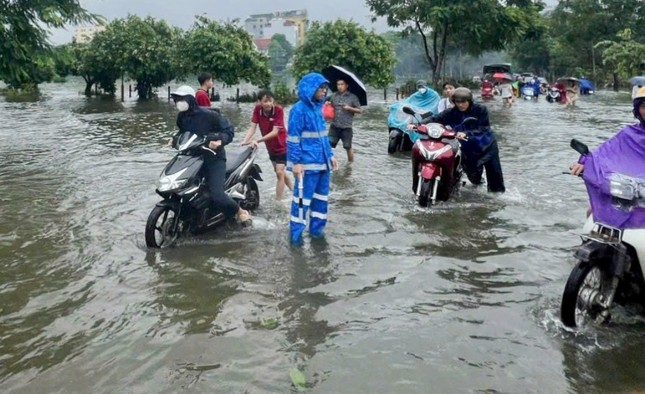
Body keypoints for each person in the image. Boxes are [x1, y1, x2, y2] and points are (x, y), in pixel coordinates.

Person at [169, 85, 251, 224]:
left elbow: (229, 131)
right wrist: (175, 139)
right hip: (192, 158)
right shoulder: (182, 117)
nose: (179, 102)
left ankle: (240, 211)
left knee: (217, 195)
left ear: (190, 99)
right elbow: (183, 133)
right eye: (177, 99)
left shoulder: (210, 115)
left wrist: (219, 141)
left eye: (182, 99)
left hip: (213, 158)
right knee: (180, 188)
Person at [570, 87, 645, 228]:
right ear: (637, 109)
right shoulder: (628, 134)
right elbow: (604, 154)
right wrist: (586, 164)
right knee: (591, 212)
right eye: (644, 106)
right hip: (635, 195)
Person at [287, 73, 339, 244]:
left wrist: (330, 156)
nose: (324, 91)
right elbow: (293, 138)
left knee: (321, 201)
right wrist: (296, 162)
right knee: (301, 203)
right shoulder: (298, 110)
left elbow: (322, 136)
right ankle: (296, 239)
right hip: (306, 166)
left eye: (325, 88)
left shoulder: (318, 109)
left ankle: (317, 232)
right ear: (310, 89)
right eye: (321, 88)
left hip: (323, 164)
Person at [421, 87, 505, 193]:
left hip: (486, 144)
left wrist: (466, 133)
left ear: (469, 101)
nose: (460, 105)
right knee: (473, 175)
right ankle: (477, 186)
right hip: (467, 147)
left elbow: (484, 128)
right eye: (458, 102)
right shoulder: (451, 112)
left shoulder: (480, 109)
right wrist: (418, 124)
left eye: (463, 102)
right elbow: (435, 118)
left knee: (494, 174)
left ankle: (497, 196)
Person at [240, 89, 293, 199]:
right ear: (259, 102)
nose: (268, 104)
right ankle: (295, 191)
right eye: (265, 101)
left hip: (282, 145)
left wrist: (257, 141)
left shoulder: (278, 110)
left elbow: (275, 132)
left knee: (279, 172)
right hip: (270, 147)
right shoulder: (257, 110)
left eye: (270, 101)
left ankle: (279, 201)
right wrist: (245, 141)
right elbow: (253, 127)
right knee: (279, 172)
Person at [329, 78, 363, 162]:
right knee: (328, 145)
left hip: (346, 127)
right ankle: (328, 163)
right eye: (338, 84)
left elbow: (360, 110)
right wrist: (328, 104)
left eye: (342, 84)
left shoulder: (353, 97)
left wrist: (349, 108)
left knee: (348, 147)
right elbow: (329, 105)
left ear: (346, 85)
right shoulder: (334, 95)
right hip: (334, 125)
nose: (339, 86)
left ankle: (350, 166)